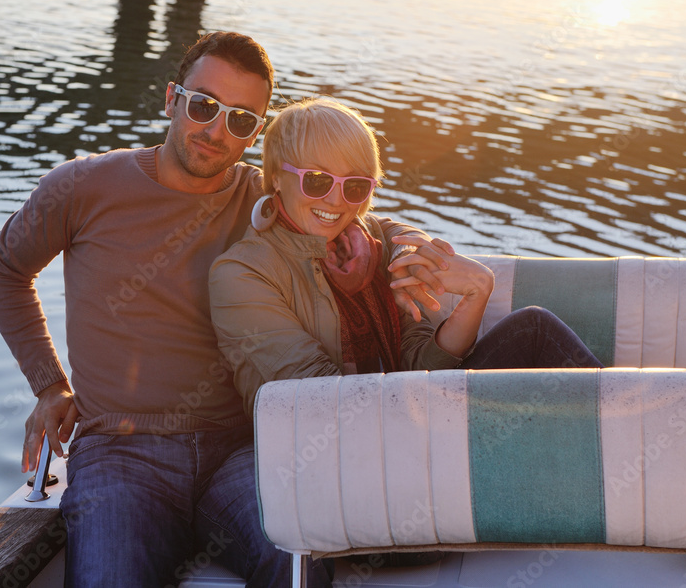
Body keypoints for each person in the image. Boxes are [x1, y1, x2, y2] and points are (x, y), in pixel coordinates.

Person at [0, 32, 448, 588]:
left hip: (242, 449)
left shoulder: (264, 198)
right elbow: (5, 271)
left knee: (300, 567)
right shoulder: (81, 187)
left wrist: (407, 241)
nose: (217, 130)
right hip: (123, 454)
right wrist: (50, 384)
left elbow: (362, 214)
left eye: (242, 120)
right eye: (204, 105)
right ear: (173, 98)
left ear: (257, 134)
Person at [209, 98, 604, 419]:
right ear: (276, 176)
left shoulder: (371, 246)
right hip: (329, 449)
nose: (335, 200)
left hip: (407, 418)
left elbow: (424, 366)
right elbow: (319, 399)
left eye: (357, 185)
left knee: (532, 330)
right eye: (317, 179)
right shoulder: (241, 275)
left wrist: (476, 294)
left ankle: (628, 447)